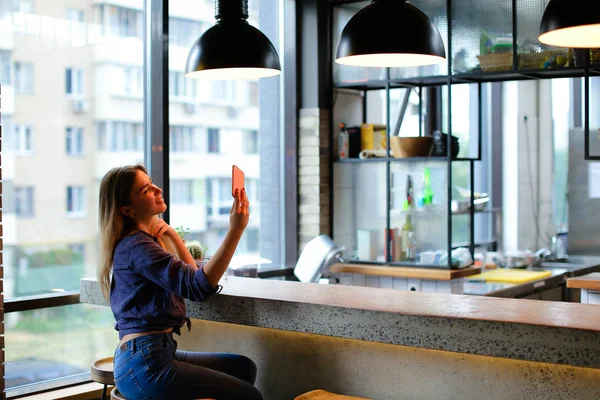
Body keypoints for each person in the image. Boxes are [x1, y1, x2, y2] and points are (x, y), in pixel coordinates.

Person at [98, 164, 262, 400]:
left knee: (243, 368)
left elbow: (195, 281)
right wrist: (236, 230)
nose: (157, 188)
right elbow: (198, 285)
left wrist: (172, 235)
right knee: (249, 396)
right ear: (127, 210)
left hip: (153, 353)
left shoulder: (142, 243)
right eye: (146, 190)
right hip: (144, 362)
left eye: (152, 182)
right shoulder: (137, 247)